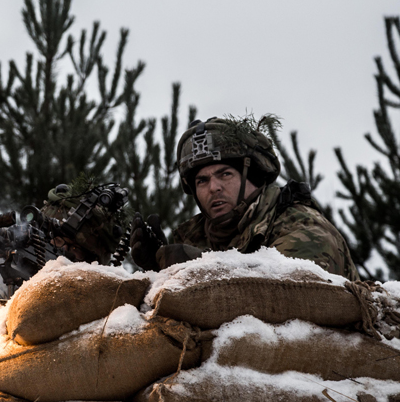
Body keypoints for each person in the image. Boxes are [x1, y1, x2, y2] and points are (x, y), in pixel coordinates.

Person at [129, 116, 359, 280]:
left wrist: (198, 267)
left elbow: (287, 296)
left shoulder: (303, 226)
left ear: (253, 176)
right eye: (202, 181)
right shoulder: (196, 237)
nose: (214, 188)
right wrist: (157, 269)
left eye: (225, 174)